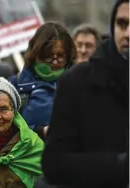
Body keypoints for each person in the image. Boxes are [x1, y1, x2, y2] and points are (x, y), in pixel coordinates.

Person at [41, 1, 129, 188]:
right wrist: (119, 165)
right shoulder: (75, 83)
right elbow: (54, 164)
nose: (128, 33)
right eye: (122, 24)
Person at [9, 22, 77, 140]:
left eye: (60, 55)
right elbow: (2, 131)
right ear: (36, 53)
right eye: (48, 55)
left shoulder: (80, 83)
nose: (55, 61)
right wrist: (40, 132)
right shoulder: (14, 86)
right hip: (28, 156)